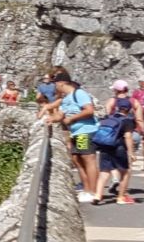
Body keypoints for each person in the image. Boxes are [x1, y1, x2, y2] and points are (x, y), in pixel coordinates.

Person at [45, 73, 101, 204]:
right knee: (77, 159)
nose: (54, 87)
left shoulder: (79, 94)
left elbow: (89, 110)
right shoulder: (66, 99)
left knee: (87, 159)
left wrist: (72, 118)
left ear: (61, 83)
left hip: (85, 131)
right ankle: (86, 189)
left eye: (55, 84)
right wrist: (50, 119)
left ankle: (93, 192)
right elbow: (60, 115)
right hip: (75, 132)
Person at [98, 80, 144, 205]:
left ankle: (114, 179)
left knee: (110, 162)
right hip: (131, 133)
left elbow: (105, 117)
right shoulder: (134, 101)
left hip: (114, 136)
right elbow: (139, 119)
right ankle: (123, 193)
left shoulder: (111, 101)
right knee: (126, 166)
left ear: (116, 90)